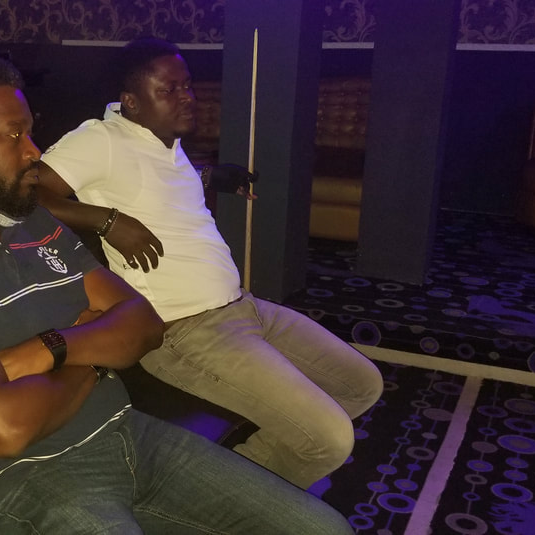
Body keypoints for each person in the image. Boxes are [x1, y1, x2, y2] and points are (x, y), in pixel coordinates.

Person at [0, 51, 353, 534]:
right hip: (20, 483)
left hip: (128, 435)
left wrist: (52, 349)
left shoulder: (37, 225)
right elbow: (4, 429)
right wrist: (92, 357)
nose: (33, 151)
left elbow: (143, 321)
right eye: (14, 135)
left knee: (326, 528)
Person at [37, 38, 384, 490]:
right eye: (169, 89)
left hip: (244, 308)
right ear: (131, 101)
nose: (187, 97)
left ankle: (254, 476)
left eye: (187, 86)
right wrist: (106, 220)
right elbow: (26, 193)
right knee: (330, 440)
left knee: (361, 385)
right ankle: (223, 501)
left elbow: (151, 180)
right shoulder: (100, 140)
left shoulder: (163, 142)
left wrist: (211, 175)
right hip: (187, 332)